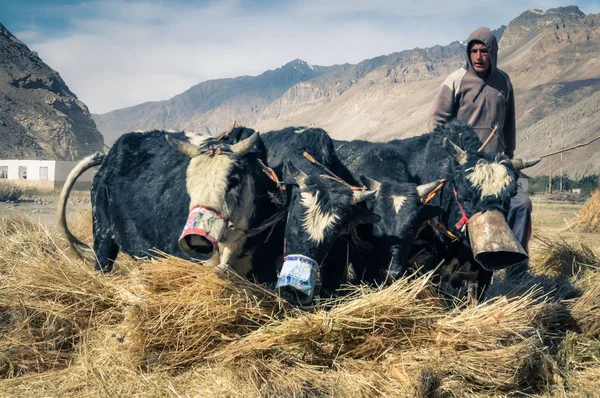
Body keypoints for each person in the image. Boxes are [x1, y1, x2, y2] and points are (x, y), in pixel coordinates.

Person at [427, 27, 531, 277]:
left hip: (496, 166)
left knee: (522, 204)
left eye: (484, 51)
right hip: (466, 167)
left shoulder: (503, 81)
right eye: (473, 51)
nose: (478, 56)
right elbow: (436, 121)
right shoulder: (456, 79)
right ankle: (453, 269)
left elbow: (509, 123)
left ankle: (516, 269)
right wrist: (452, 152)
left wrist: (508, 156)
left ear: (492, 53)